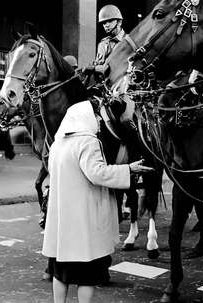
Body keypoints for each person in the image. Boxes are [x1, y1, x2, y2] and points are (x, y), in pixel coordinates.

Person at [41, 99, 153, 303]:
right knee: (87, 276)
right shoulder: (88, 141)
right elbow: (97, 174)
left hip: (63, 226)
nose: (100, 119)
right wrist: (128, 169)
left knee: (60, 273)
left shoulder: (58, 144)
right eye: (97, 115)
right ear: (85, 116)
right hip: (84, 226)